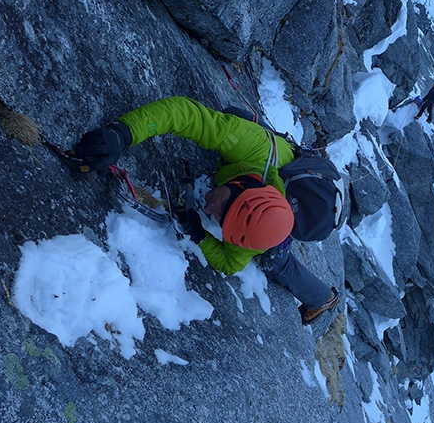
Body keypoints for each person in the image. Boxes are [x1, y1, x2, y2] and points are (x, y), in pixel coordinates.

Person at [72, 96, 340, 325]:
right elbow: (187, 116)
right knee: (228, 118)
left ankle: (323, 299)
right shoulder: (251, 147)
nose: (209, 209)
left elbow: (230, 263)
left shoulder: (258, 236)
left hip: (278, 215)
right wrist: (125, 132)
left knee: (277, 261)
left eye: (219, 220)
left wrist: (200, 235)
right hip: (269, 154)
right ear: (242, 185)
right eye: (222, 207)